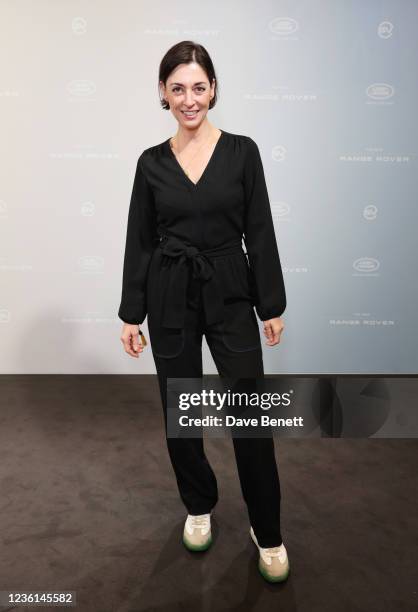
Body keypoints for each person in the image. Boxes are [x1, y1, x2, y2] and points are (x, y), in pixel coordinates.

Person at [118, 40, 289, 583]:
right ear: (162, 95)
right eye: (177, 88)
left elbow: (259, 230)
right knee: (181, 407)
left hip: (230, 288)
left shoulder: (243, 152)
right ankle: (198, 504)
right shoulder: (150, 164)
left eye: (198, 86)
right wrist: (131, 313)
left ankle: (268, 530)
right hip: (170, 290)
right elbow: (139, 242)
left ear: (213, 88)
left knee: (249, 414)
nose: (189, 99)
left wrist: (271, 304)